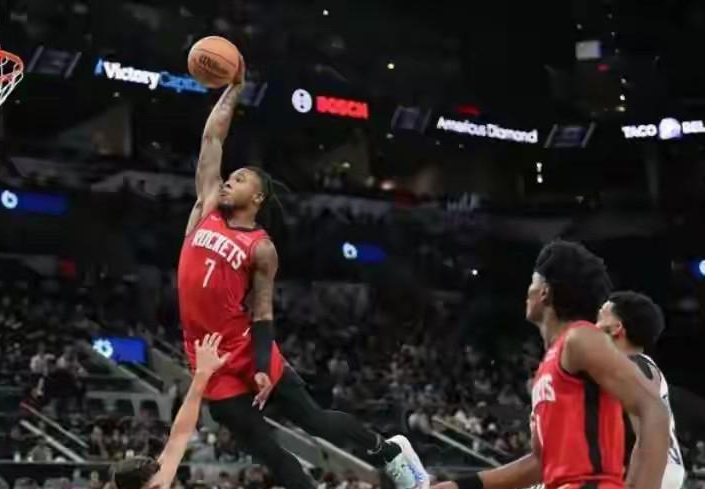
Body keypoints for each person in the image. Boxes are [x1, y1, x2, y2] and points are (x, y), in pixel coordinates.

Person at [176, 55, 426, 489]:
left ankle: (388, 451)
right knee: (268, 452)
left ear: (258, 198)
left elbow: (262, 313)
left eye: (241, 179)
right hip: (207, 359)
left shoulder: (261, 247)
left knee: (316, 421)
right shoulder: (205, 211)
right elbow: (212, 138)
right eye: (230, 177)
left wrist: (260, 365)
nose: (229, 180)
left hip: (245, 346)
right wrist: (234, 90)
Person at [432, 241, 670, 489]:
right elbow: (539, 463)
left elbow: (654, 409)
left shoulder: (580, 338)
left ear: (545, 291)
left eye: (532, 282)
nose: (528, 291)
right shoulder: (552, 362)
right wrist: (459, 486)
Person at [108, 333, 229, 489]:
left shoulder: (157, 481)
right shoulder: (157, 484)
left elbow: (181, 433)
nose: (161, 481)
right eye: (154, 483)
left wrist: (202, 375)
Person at [595, 291, 685, 489]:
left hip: (654, 469)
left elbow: (647, 433)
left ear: (617, 328)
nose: (594, 324)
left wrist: (630, 484)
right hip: (661, 467)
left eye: (601, 315)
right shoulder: (634, 366)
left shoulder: (634, 365)